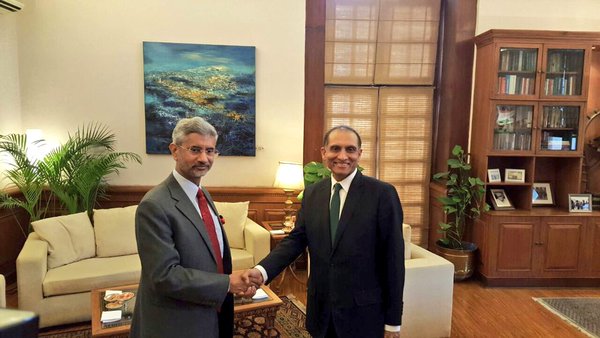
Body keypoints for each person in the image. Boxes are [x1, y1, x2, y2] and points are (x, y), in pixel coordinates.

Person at [245, 125, 405, 338]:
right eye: (335, 148)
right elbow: (295, 241)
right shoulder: (312, 193)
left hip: (363, 314)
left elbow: (393, 260)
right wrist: (261, 271)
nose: (342, 156)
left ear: (359, 153)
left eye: (350, 149)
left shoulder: (382, 194)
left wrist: (393, 322)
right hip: (321, 310)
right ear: (324, 153)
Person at [130, 117, 255, 338]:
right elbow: (164, 276)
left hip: (208, 312)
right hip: (176, 322)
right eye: (195, 149)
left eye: (210, 150)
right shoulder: (154, 205)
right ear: (174, 151)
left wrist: (233, 286)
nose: (204, 158)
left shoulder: (202, 193)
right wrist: (227, 283)